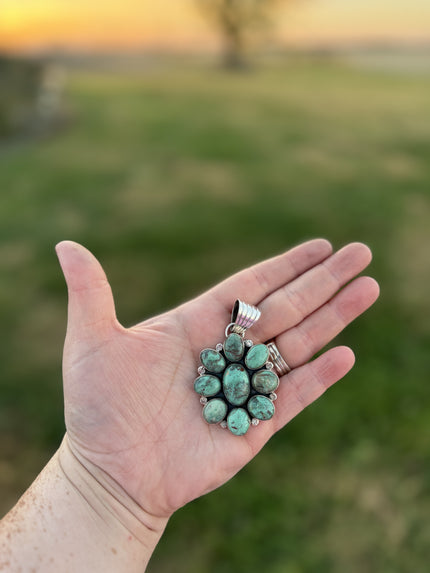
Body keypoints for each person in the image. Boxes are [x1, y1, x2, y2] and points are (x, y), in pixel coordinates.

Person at [0, 239, 379, 572]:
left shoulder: (242, 362)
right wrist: (97, 480)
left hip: (236, 397)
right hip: (230, 399)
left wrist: (98, 489)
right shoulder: (228, 364)